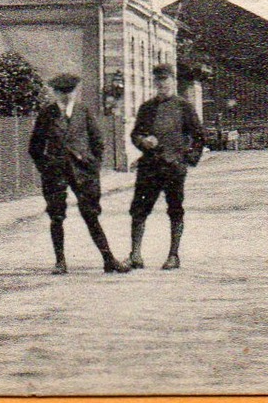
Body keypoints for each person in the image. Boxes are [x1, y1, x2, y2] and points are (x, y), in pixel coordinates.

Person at [28, 73, 130, 274]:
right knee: (56, 216)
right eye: (61, 92)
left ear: (75, 92)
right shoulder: (47, 114)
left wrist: (93, 166)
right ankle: (60, 262)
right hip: (56, 173)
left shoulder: (83, 112)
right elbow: (35, 147)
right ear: (55, 93)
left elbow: (98, 141)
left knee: (91, 215)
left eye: (70, 91)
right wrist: (46, 167)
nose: (66, 96)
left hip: (82, 172)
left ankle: (109, 259)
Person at [127, 64, 204, 270]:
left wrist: (188, 158)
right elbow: (135, 134)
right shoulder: (147, 108)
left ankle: (173, 255)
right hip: (150, 166)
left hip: (174, 167)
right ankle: (135, 254)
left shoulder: (184, 107)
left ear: (173, 81)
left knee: (175, 209)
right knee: (139, 210)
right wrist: (143, 141)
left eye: (166, 79)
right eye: (158, 80)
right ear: (154, 83)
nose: (162, 84)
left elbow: (198, 136)